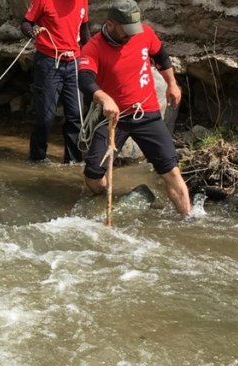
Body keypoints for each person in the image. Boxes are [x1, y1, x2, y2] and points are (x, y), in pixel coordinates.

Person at [77, 0, 191, 215]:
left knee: (172, 171)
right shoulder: (93, 47)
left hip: (146, 113)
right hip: (113, 118)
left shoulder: (144, 33)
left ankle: (189, 220)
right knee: (93, 176)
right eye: (126, 30)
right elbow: (84, 79)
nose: (132, 34)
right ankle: (104, 202)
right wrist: (104, 98)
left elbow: (161, 56)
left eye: (134, 28)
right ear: (111, 24)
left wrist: (172, 84)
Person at [21, 0, 91, 163]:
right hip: (48, 62)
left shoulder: (82, 1)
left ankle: (73, 162)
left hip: (74, 62)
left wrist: (92, 56)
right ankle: (37, 159)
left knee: (76, 115)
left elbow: (84, 29)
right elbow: (25, 23)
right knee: (46, 117)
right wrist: (31, 31)